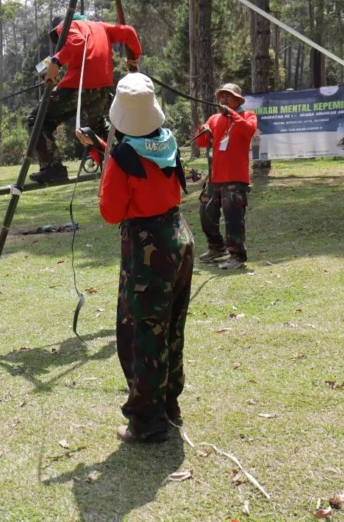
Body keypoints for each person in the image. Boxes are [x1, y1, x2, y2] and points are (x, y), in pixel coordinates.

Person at [89, 73, 194, 443]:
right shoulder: (167, 141)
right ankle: (168, 405)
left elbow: (111, 211)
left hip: (147, 246)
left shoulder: (122, 158)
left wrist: (106, 162)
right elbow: (146, 165)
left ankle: (147, 422)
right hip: (178, 236)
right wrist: (106, 151)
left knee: (141, 332)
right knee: (169, 325)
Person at [29, 15, 142, 184]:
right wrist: (135, 57)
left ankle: (53, 168)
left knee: (36, 121)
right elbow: (129, 32)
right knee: (97, 126)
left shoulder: (68, 26)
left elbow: (77, 42)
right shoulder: (101, 27)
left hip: (77, 87)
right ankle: (118, 161)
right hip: (102, 88)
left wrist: (56, 61)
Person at [195, 83, 258, 270]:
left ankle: (237, 256)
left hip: (235, 178)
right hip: (214, 178)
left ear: (239, 100)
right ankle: (216, 248)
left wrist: (231, 114)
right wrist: (202, 129)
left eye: (228, 96)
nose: (223, 99)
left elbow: (248, 130)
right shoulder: (214, 118)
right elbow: (201, 142)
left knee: (233, 219)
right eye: (221, 96)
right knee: (206, 214)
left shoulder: (248, 115)